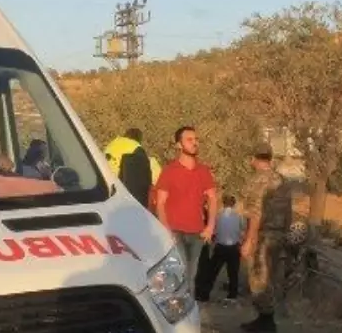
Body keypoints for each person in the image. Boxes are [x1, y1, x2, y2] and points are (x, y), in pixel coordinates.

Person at [240, 141, 293, 333]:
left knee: (258, 276)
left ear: (253, 158)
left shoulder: (257, 180)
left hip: (262, 235)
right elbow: (288, 211)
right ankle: (267, 316)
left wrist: (249, 240)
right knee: (272, 275)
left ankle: (265, 318)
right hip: (279, 235)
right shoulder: (282, 181)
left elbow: (255, 212)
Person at [154, 126, 218, 284]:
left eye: (196, 139)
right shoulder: (169, 171)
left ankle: (188, 307)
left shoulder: (203, 171)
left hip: (197, 232)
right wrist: (166, 231)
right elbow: (160, 203)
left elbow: (212, 198)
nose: (194, 143)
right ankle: (177, 306)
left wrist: (210, 227)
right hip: (175, 232)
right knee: (178, 274)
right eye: (189, 140)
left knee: (191, 275)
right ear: (178, 145)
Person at [197, 195, 245, 302]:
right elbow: (241, 231)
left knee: (212, 272)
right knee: (233, 273)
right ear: (234, 204)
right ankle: (232, 295)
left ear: (223, 203)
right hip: (233, 248)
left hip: (220, 247)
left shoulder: (218, 216)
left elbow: (214, 231)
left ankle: (204, 294)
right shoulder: (238, 216)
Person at [104, 128, 154, 207]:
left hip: (105, 186)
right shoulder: (135, 148)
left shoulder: (111, 145)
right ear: (139, 139)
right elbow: (143, 180)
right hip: (121, 191)